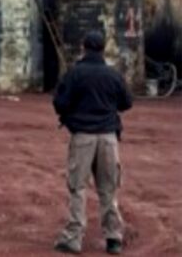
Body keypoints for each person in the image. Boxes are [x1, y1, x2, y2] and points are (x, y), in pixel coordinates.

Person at [53, 31, 133, 255]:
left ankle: (74, 237)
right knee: (108, 189)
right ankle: (113, 238)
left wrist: (74, 114)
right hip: (108, 136)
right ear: (103, 48)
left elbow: (60, 103)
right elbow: (127, 102)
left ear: (84, 47)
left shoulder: (75, 74)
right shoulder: (113, 74)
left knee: (78, 187)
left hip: (82, 136)